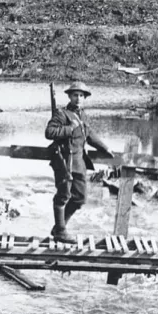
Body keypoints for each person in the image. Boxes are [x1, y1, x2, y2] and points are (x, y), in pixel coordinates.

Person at [45, 81, 114, 242]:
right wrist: (69, 129)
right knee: (63, 195)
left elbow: (89, 135)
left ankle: (58, 228)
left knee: (80, 198)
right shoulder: (61, 114)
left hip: (79, 162)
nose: (78, 98)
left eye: (81, 95)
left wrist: (106, 148)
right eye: (75, 95)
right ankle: (61, 231)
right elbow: (49, 132)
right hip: (64, 161)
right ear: (69, 96)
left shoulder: (82, 114)